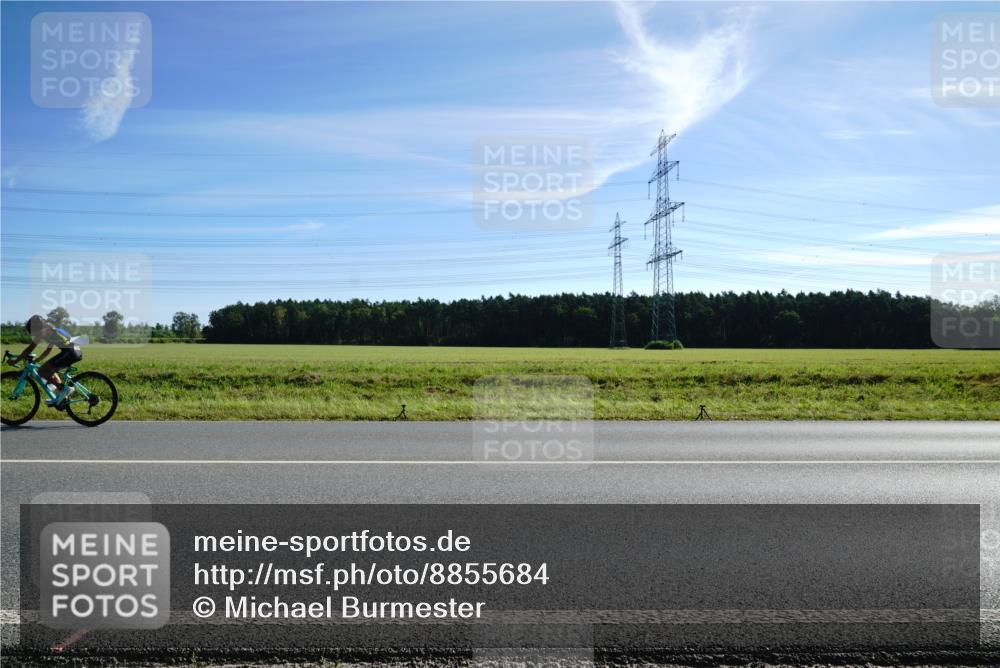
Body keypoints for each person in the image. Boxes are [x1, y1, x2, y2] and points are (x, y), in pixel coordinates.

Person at [9, 315, 81, 406]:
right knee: (49, 369)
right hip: (74, 351)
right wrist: (38, 360)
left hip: (70, 352)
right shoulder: (50, 329)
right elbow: (48, 350)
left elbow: (29, 349)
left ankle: (64, 389)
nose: (34, 334)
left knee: (42, 370)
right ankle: (59, 398)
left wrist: (15, 361)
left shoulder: (43, 331)